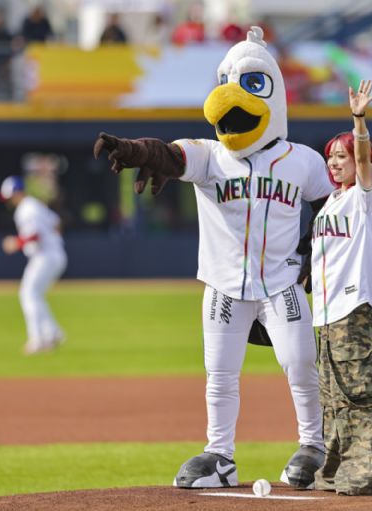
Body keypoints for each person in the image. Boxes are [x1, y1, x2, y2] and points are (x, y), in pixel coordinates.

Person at [93, 26, 333, 489]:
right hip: (225, 283)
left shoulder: (301, 160)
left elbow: (327, 205)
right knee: (219, 373)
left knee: (301, 362)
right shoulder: (211, 155)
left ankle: (314, 445)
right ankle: (220, 454)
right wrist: (135, 149)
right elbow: (170, 155)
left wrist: (311, 250)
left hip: (280, 282)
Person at [311, 80, 372, 495]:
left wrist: (358, 120)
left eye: (340, 156)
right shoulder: (331, 202)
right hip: (325, 314)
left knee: (359, 393)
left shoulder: (366, 195)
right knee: (331, 396)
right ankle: (335, 470)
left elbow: (365, 159)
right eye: (331, 157)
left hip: (353, 307)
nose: (334, 163)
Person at [0, 176, 67, 355]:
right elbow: (57, 222)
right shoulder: (34, 204)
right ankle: (52, 333)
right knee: (34, 294)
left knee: (28, 293)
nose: (9, 201)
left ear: (16, 193)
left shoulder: (25, 209)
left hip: (44, 256)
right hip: (54, 254)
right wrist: (54, 241)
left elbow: (33, 235)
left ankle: (37, 340)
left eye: (9, 197)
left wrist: (15, 243)